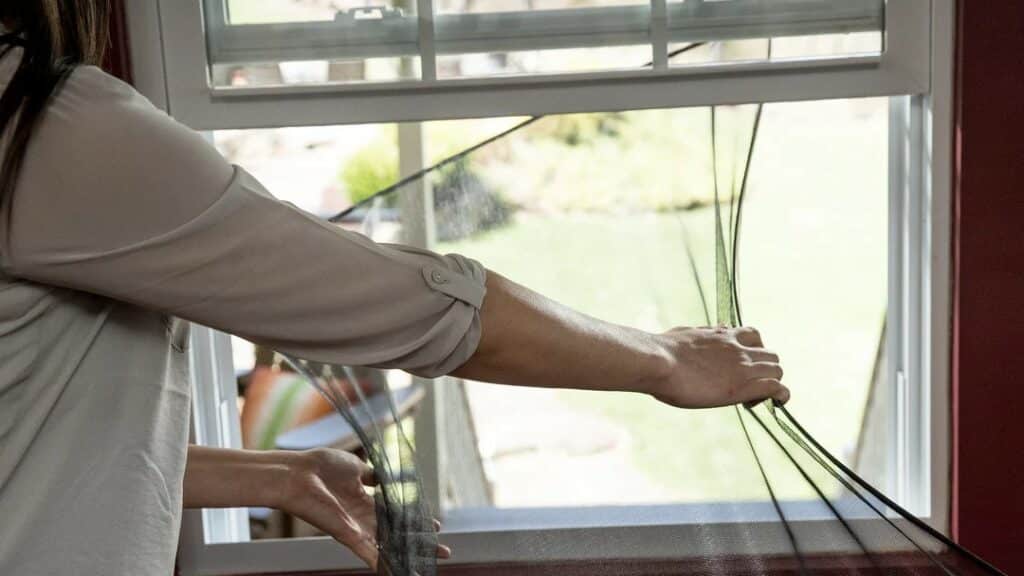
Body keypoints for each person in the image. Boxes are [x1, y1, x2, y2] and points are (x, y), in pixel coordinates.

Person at [0, 3, 786, 574]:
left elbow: (32, 433)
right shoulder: (46, 129)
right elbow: (409, 305)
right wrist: (661, 358)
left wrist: (279, 476)